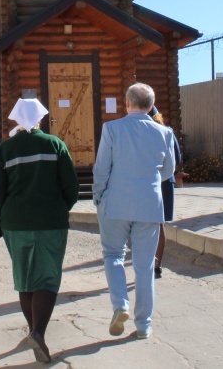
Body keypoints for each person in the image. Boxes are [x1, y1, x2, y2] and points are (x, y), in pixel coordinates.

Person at [0, 98, 79, 363]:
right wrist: (60, 208)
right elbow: (71, 187)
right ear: (40, 119)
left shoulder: (5, 149)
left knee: (25, 278)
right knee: (48, 277)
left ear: (16, 119)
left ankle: (32, 331)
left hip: (15, 223)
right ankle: (38, 333)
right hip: (51, 222)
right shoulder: (55, 145)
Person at [92, 83, 176, 340]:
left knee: (113, 255)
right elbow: (168, 171)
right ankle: (144, 325)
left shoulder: (112, 128)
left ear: (126, 103)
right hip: (149, 205)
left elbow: (102, 168)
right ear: (151, 106)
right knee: (144, 266)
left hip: (115, 203)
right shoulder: (165, 133)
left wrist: (99, 197)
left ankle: (120, 305)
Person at [149, 106, 185, 279]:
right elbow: (177, 158)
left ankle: (146, 263)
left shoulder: (140, 133)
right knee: (159, 224)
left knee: (141, 223)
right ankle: (157, 265)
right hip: (165, 181)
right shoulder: (167, 131)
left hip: (146, 181)